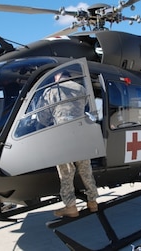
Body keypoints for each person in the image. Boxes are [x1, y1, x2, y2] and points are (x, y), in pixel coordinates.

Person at [37, 70, 99, 218]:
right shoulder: (81, 89)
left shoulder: (51, 90)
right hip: (81, 133)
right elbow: (88, 108)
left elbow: (42, 116)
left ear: (56, 77)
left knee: (66, 172)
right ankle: (93, 202)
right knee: (85, 170)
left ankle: (71, 207)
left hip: (62, 135)